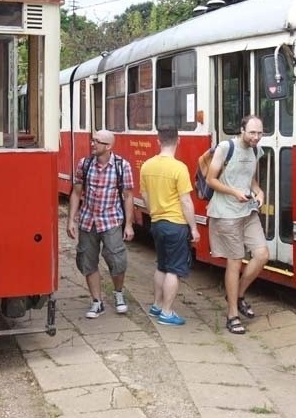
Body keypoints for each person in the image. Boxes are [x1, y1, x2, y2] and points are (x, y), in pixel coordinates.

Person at [206, 115, 270, 335]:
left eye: (260, 133)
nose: (256, 137)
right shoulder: (226, 147)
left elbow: (250, 180)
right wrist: (234, 192)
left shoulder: (256, 150)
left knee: (261, 255)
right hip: (226, 214)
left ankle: (238, 294)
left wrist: (259, 193)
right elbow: (210, 180)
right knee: (234, 263)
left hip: (247, 210)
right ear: (242, 130)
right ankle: (232, 315)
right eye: (252, 132)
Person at [67, 130, 135, 318]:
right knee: (87, 261)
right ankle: (97, 302)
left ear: (108, 146)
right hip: (88, 220)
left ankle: (118, 293)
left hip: (111, 219)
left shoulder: (122, 166)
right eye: (93, 140)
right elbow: (76, 192)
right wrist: (71, 219)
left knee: (117, 259)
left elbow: (128, 196)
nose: (92, 144)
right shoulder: (85, 164)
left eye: (97, 141)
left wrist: (128, 225)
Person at [140, 126, 200, 326]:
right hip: (176, 224)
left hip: (157, 223)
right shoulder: (179, 168)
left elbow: (145, 196)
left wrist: (155, 213)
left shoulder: (147, 166)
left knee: (161, 265)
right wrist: (194, 228)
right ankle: (167, 312)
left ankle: (157, 305)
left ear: (158, 140)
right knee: (174, 269)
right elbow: (186, 201)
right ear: (178, 140)